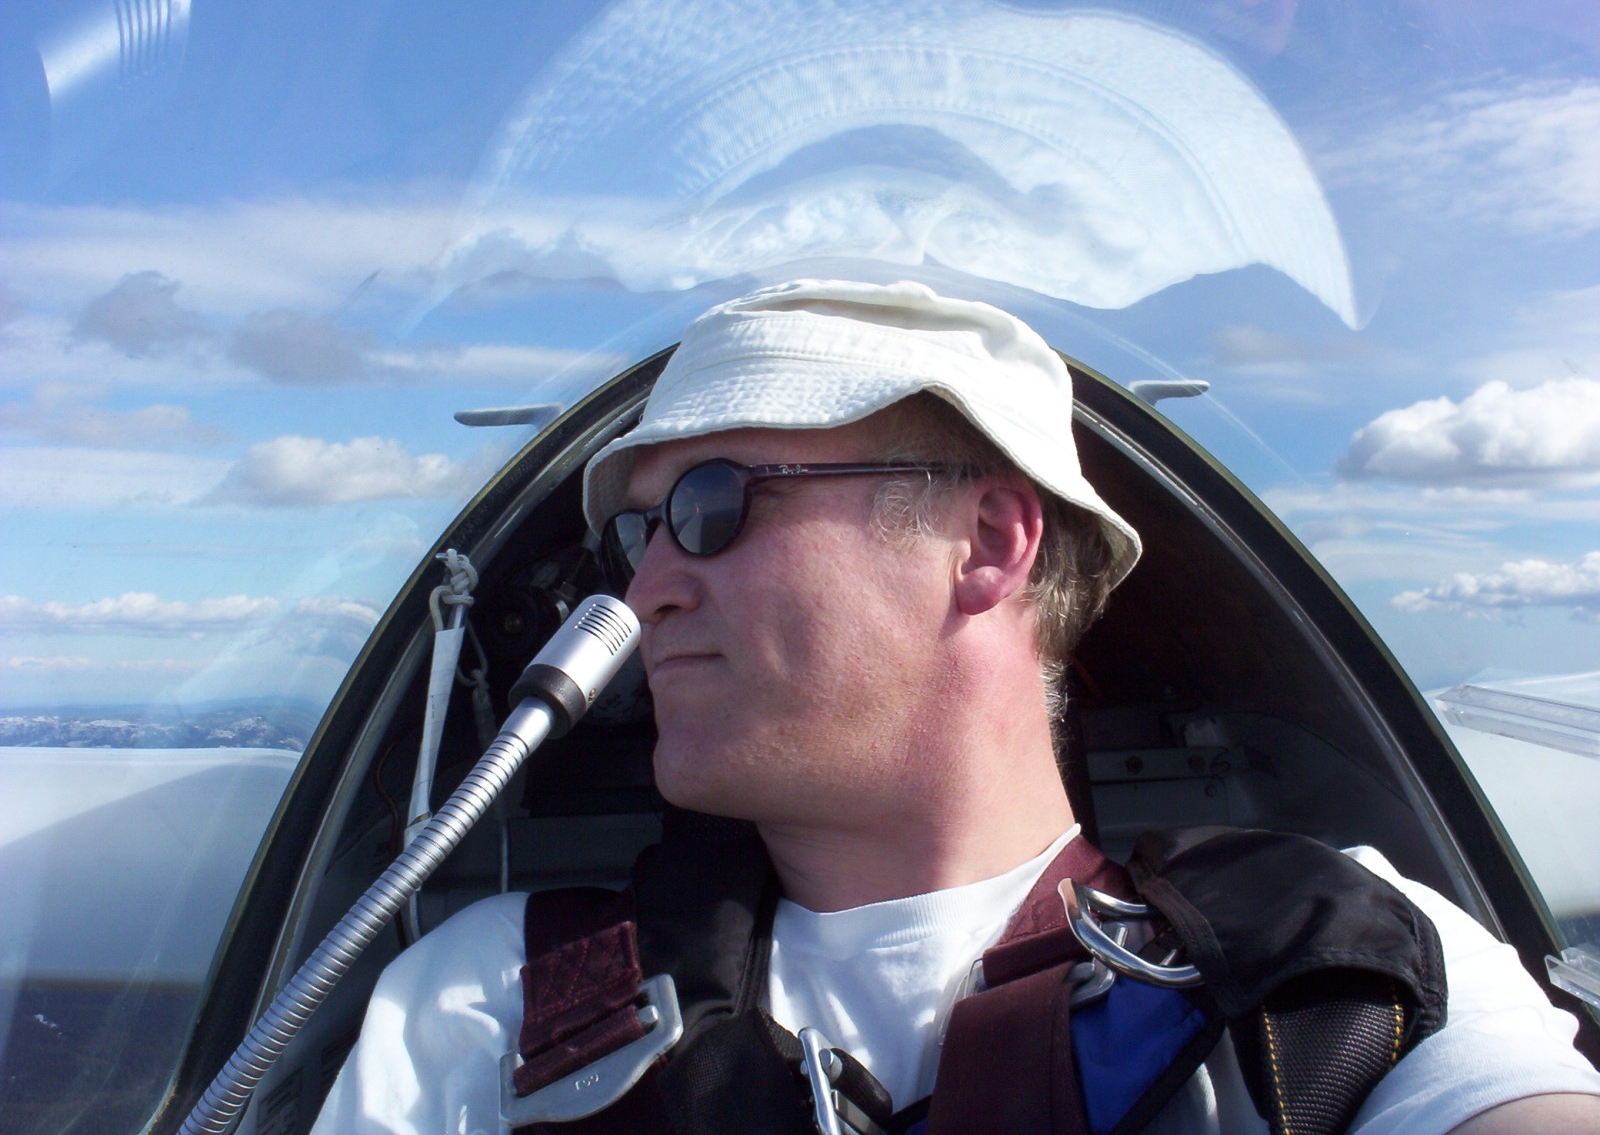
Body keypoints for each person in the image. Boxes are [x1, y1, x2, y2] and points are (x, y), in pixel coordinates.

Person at [313, 279, 1600, 1134]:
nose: (645, 589)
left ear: (984, 542)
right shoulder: (487, 1003)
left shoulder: (1341, 967)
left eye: (709, 505)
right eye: (636, 536)